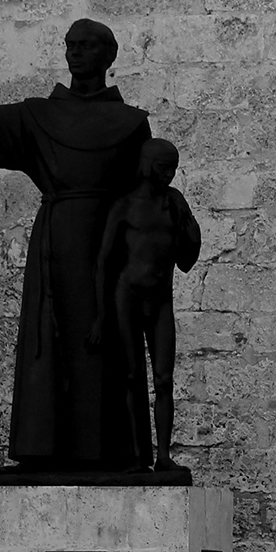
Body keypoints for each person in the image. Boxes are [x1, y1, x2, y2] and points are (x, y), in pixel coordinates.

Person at [0, 21, 152, 471]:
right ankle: (43, 449)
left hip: (107, 250)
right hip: (56, 245)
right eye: (70, 45)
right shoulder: (36, 117)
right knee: (48, 346)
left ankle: (111, 452)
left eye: (86, 46)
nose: (76, 53)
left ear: (109, 56)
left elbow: (144, 191)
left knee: (105, 348)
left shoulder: (131, 124)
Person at [89, 138, 201, 472]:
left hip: (160, 299)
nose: (168, 175)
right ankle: (137, 456)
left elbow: (186, 261)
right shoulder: (124, 206)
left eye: (173, 169)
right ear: (148, 165)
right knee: (131, 376)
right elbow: (103, 262)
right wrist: (100, 316)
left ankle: (163, 456)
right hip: (128, 296)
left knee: (164, 379)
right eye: (163, 168)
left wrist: (191, 231)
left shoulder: (173, 202)